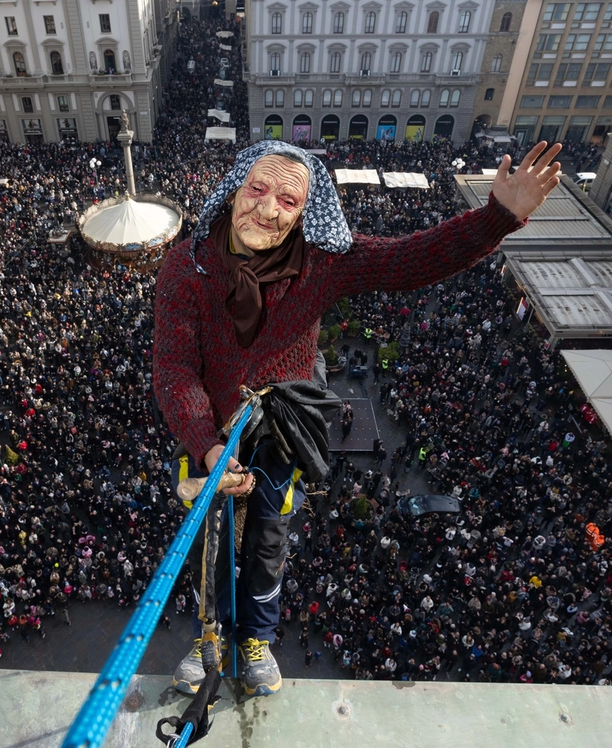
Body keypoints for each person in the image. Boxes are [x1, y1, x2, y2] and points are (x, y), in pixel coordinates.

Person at [153, 138, 563, 696]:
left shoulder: (319, 264)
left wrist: (496, 218)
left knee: (268, 536)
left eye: (289, 201)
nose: (269, 208)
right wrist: (204, 445)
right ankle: (210, 639)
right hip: (208, 425)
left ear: (304, 215)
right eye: (258, 189)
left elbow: (409, 260)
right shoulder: (187, 267)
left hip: (281, 421)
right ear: (233, 191)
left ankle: (255, 640)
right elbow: (176, 368)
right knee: (211, 537)